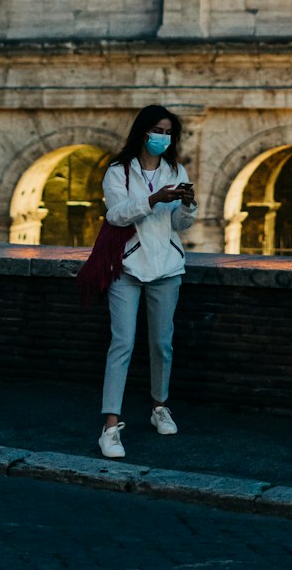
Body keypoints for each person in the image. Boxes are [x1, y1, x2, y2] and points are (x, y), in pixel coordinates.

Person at [98, 105, 197, 460]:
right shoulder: (117, 172)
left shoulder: (175, 169)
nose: (163, 137)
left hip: (167, 266)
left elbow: (180, 225)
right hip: (126, 268)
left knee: (162, 343)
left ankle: (159, 406)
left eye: (169, 132)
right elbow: (116, 214)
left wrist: (188, 204)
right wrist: (154, 198)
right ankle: (110, 425)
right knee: (121, 343)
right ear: (143, 132)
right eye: (158, 130)